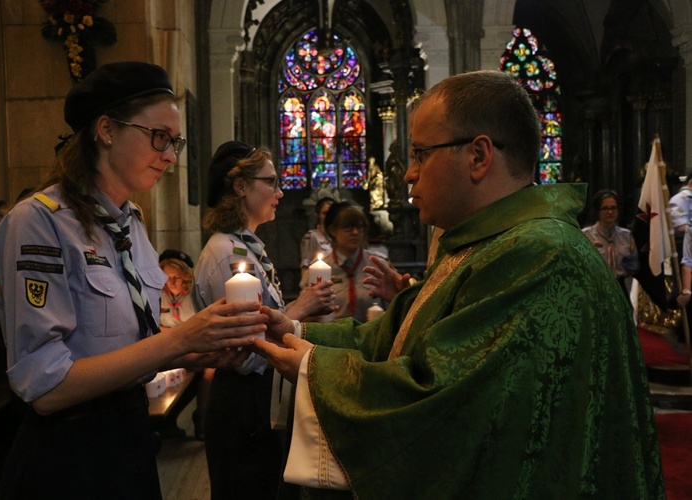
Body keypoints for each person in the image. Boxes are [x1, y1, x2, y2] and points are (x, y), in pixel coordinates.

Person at [252, 70, 664, 498]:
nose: (409, 174)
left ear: (479, 156)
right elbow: (406, 337)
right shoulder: (483, 241)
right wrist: (296, 332)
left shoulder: (538, 254)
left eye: (420, 154)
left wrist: (314, 368)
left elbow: (448, 401)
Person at [0, 61, 267, 500]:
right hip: (67, 455)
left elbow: (129, 346)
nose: (171, 155)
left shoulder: (129, 223)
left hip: (130, 440)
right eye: (159, 137)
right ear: (106, 130)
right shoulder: (39, 222)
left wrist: (200, 349)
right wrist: (178, 341)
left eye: (174, 142)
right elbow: (45, 386)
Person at [193, 140, 336, 500]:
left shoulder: (246, 246)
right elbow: (248, 351)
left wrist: (304, 314)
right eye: (271, 182)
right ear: (240, 187)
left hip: (258, 401)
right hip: (242, 405)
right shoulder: (225, 253)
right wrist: (299, 309)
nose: (280, 192)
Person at [301, 200, 388, 322]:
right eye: (348, 228)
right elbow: (304, 312)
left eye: (359, 227)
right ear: (333, 231)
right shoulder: (318, 268)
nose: (355, 232)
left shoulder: (377, 264)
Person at [158, 248, 211, 440]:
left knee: (207, 371)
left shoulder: (195, 295)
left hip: (194, 347)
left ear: (186, 275)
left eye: (177, 277)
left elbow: (202, 326)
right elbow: (155, 326)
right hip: (169, 348)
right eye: (167, 277)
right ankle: (162, 421)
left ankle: (202, 420)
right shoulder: (158, 295)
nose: (171, 282)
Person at [582, 189, 639, 299]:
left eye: (613, 208)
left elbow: (633, 265)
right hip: (595, 288)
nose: (610, 212)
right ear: (598, 211)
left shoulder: (626, 236)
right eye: (605, 208)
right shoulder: (586, 236)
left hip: (620, 287)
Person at [299, 196, 334, 275]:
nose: (328, 216)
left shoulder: (339, 237)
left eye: (331, 213)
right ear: (319, 215)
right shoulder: (312, 236)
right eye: (325, 213)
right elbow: (305, 264)